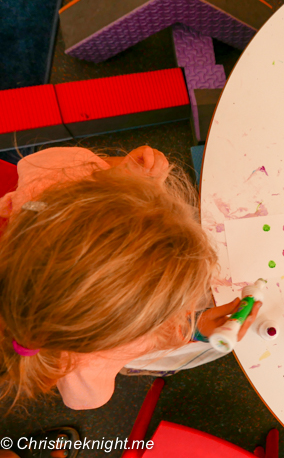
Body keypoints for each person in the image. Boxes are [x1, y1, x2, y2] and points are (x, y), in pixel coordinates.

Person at [0, 146, 260, 411]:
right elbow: (82, 401)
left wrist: (124, 174)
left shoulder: (54, 180)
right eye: (180, 304)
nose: (190, 306)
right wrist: (194, 330)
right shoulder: (89, 365)